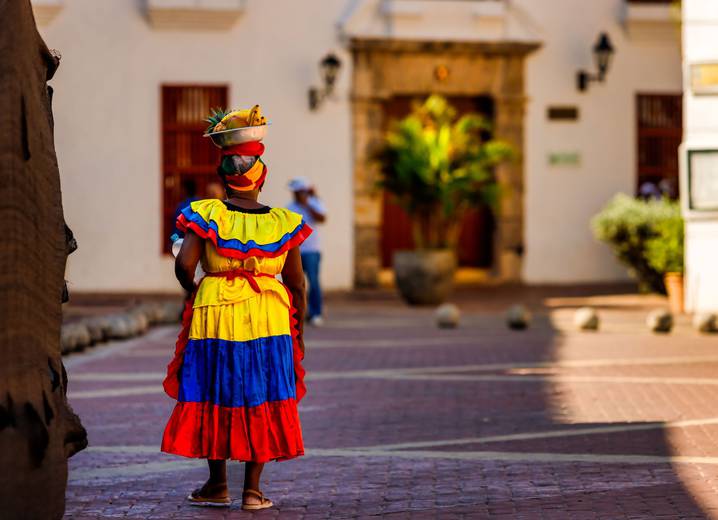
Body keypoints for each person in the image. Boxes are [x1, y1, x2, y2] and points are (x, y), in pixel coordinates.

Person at [161, 106, 312, 511]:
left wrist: (194, 289)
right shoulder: (284, 221)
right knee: (262, 393)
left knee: (216, 390)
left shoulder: (205, 214)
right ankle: (253, 490)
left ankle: (217, 484)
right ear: (260, 175)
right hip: (269, 314)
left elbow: (183, 264)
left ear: (225, 174)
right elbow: (296, 282)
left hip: (216, 312)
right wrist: (299, 325)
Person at [287, 178, 326, 326]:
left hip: (312, 250)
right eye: (295, 193)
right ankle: (296, 313)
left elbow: (322, 218)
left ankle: (316, 313)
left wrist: (308, 204)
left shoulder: (315, 203)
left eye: (299, 192)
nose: (297, 195)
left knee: (314, 282)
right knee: (295, 283)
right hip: (295, 250)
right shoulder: (289, 207)